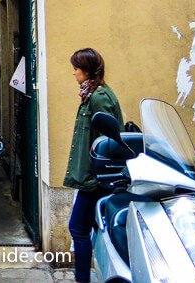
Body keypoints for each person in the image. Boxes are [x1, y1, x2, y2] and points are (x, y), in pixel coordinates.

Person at [64, 48, 123, 283]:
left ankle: (82, 279)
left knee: (78, 227)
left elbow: (109, 139)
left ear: (87, 71)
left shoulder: (99, 97)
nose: (73, 73)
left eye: (76, 69)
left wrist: (97, 174)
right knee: (89, 228)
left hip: (97, 178)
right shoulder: (92, 94)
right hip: (94, 176)